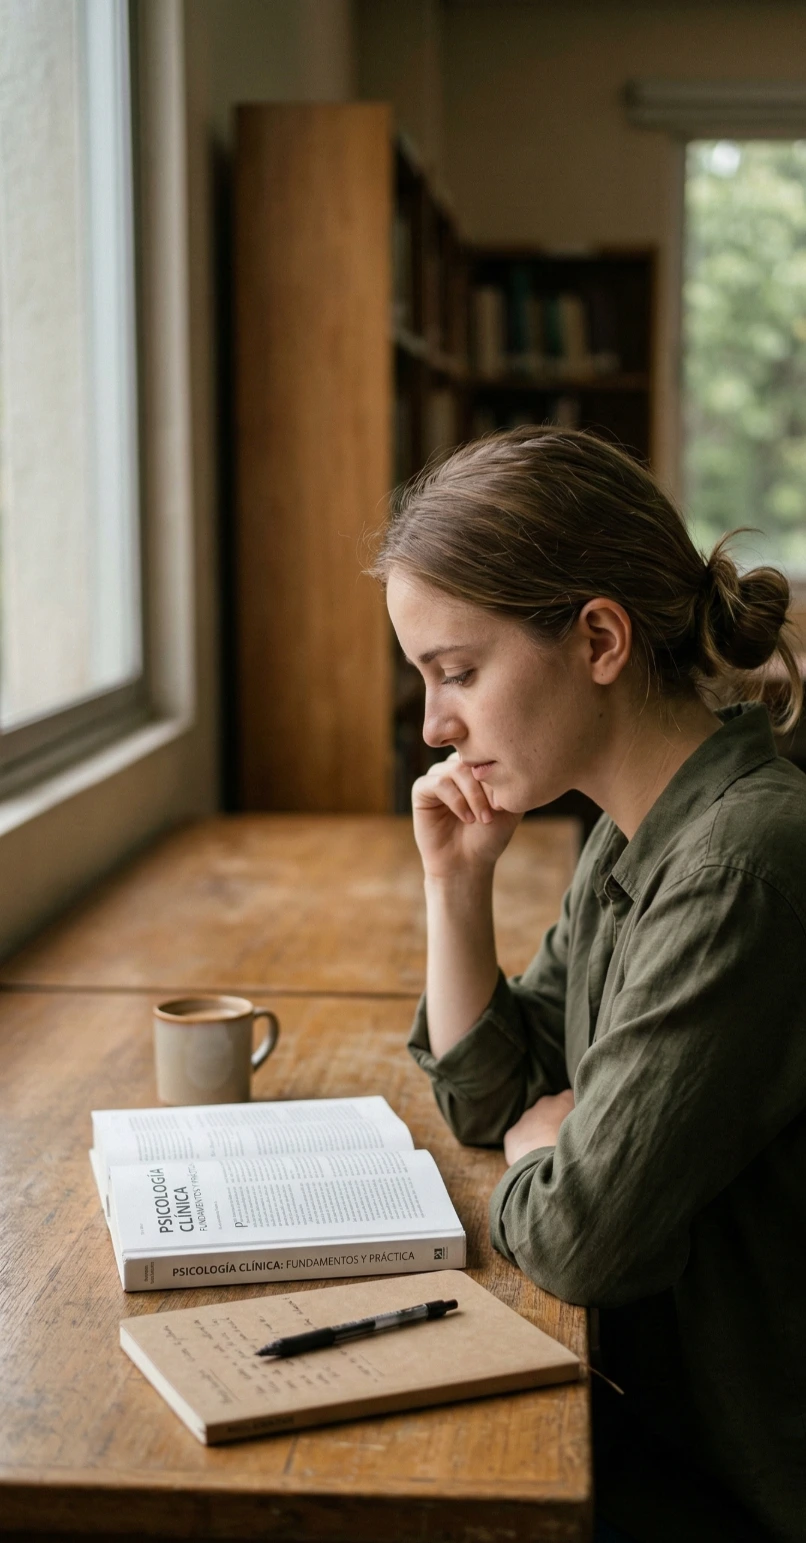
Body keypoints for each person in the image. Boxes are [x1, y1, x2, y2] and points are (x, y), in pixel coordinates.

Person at [373, 427, 806, 1543]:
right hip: (656, 1407)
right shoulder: (630, 835)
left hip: (735, 1470)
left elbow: (581, 1238)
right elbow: (491, 1092)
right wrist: (456, 887)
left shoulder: (734, 865)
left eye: (457, 673)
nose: (433, 727)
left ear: (599, 637)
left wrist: (541, 1154)